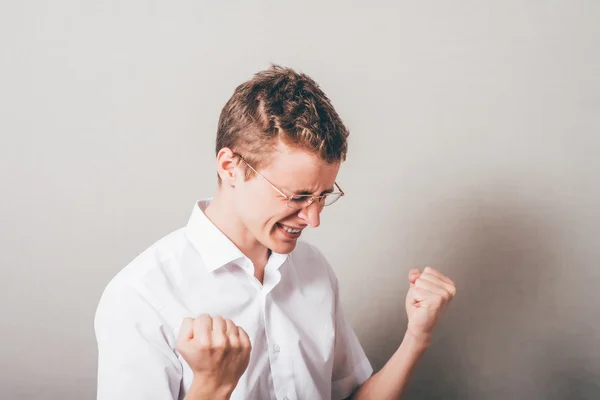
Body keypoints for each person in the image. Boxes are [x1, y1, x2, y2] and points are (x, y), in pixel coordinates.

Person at [94, 65, 456, 400]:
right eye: (297, 197)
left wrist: (417, 338)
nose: (312, 220)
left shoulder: (314, 269)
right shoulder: (140, 296)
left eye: (322, 197)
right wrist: (211, 387)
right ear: (230, 167)